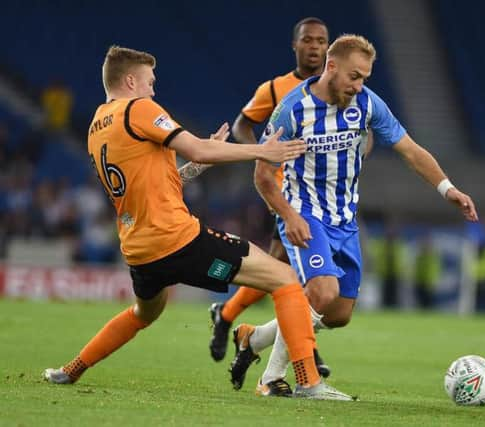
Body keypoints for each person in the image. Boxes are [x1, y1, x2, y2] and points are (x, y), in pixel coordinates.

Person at [42, 45, 353, 400]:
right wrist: (262, 151)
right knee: (286, 281)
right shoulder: (138, 108)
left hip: (139, 249)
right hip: (177, 239)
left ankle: (71, 370)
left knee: (143, 313)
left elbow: (152, 186)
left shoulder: (97, 124)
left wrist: (196, 169)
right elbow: (197, 147)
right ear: (130, 81)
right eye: (149, 82)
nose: (153, 90)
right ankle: (308, 382)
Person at [229, 34, 479, 395]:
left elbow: (409, 150)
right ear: (332, 66)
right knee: (322, 291)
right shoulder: (292, 109)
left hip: (344, 220)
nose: (359, 85)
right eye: (354, 76)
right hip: (304, 213)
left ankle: (252, 339)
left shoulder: (366, 103)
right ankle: (283, 381)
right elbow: (263, 175)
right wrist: (289, 216)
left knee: (338, 314)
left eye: (364, 78)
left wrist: (448, 188)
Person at [207, 17, 333, 393]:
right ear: (295, 46)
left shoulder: (338, 88)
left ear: (329, 47)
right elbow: (242, 124)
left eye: (321, 41)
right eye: (307, 40)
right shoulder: (276, 89)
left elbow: (361, 133)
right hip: (286, 195)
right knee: (306, 280)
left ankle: (234, 321)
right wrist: (265, 155)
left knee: (281, 267)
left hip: (321, 196)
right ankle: (297, 355)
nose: (314, 47)